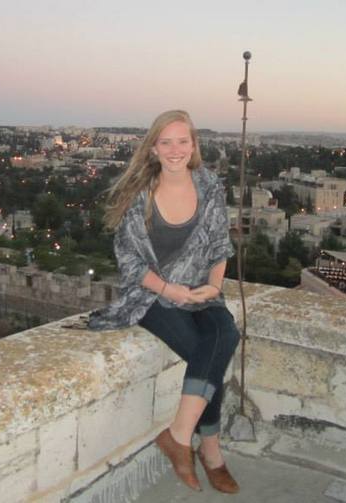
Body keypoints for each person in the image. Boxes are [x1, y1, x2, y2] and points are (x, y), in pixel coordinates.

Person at [87, 109, 241, 494]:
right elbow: (130, 261)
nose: (175, 150)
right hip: (152, 295)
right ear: (153, 148)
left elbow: (220, 246)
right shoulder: (140, 195)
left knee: (224, 332)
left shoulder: (209, 187)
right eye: (166, 142)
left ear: (194, 146)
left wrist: (213, 287)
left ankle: (179, 435)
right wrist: (170, 290)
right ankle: (211, 451)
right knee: (209, 354)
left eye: (183, 141)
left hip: (200, 292)